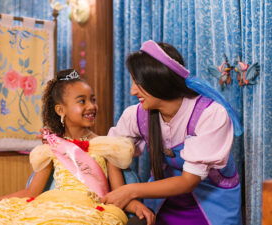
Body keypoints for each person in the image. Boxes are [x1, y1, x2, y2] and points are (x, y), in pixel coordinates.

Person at [0, 69, 155, 225]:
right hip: (51, 205)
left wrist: (136, 206)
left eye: (93, 100)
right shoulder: (51, 148)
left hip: (90, 210)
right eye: (82, 101)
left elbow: (118, 193)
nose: (91, 106)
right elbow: (30, 193)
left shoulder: (107, 146)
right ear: (61, 110)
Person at [103, 40, 243, 225]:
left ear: (158, 80)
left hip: (212, 202)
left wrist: (131, 191)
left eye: (138, 82)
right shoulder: (135, 115)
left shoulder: (210, 114)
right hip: (162, 200)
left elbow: (189, 181)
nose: (132, 91)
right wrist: (129, 202)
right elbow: (112, 155)